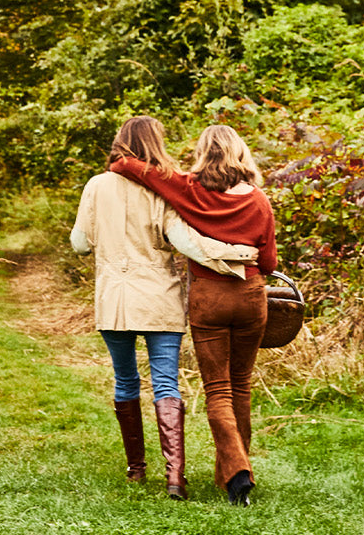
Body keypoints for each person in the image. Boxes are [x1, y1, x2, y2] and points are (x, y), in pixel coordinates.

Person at [71, 116, 256, 501]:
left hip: (114, 299)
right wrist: (235, 255)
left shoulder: (96, 186)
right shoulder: (162, 190)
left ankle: (136, 470)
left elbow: (80, 245)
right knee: (166, 384)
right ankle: (175, 478)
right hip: (159, 299)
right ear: (155, 143)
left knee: (125, 382)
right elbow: (185, 243)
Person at [109, 124, 277, 506]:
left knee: (218, 389)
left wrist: (119, 164)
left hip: (209, 300)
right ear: (240, 152)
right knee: (242, 387)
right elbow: (268, 261)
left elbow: (140, 169)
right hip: (251, 297)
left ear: (204, 153)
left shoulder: (190, 190)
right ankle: (235, 471)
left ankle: (236, 474)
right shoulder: (259, 201)